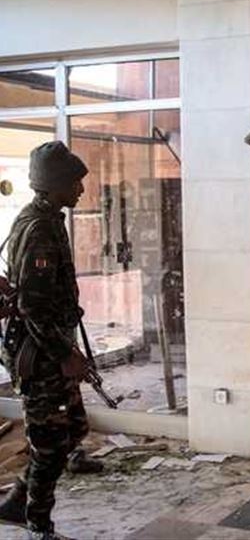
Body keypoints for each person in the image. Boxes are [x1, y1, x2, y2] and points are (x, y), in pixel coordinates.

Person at [0, 142, 100, 540]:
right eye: (75, 182)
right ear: (55, 183)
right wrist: (65, 355)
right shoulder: (39, 228)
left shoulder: (47, 219)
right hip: (39, 354)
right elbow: (32, 306)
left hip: (50, 346)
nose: (81, 189)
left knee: (74, 429)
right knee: (51, 446)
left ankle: (16, 501)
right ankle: (38, 526)